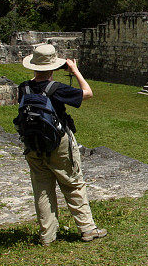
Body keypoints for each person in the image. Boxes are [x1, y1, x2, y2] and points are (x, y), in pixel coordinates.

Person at [19, 43, 107, 244]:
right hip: (57, 142)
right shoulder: (56, 89)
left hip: (32, 144)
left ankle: (47, 236)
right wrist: (75, 70)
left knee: (42, 189)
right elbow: (88, 93)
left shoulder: (23, 87)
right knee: (73, 183)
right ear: (53, 66)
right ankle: (87, 229)